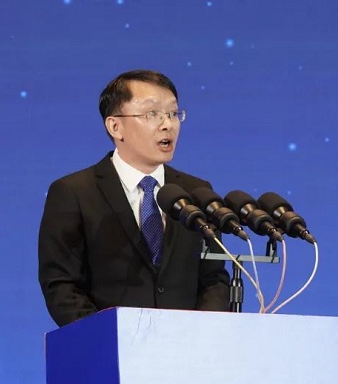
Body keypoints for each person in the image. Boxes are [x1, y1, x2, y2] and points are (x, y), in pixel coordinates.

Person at [38, 69, 230, 327]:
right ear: (115, 126)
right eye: (152, 114)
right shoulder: (73, 192)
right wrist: (108, 338)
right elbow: (62, 286)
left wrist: (200, 333)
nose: (168, 124)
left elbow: (214, 279)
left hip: (187, 345)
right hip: (109, 345)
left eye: (173, 113)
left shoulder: (197, 192)